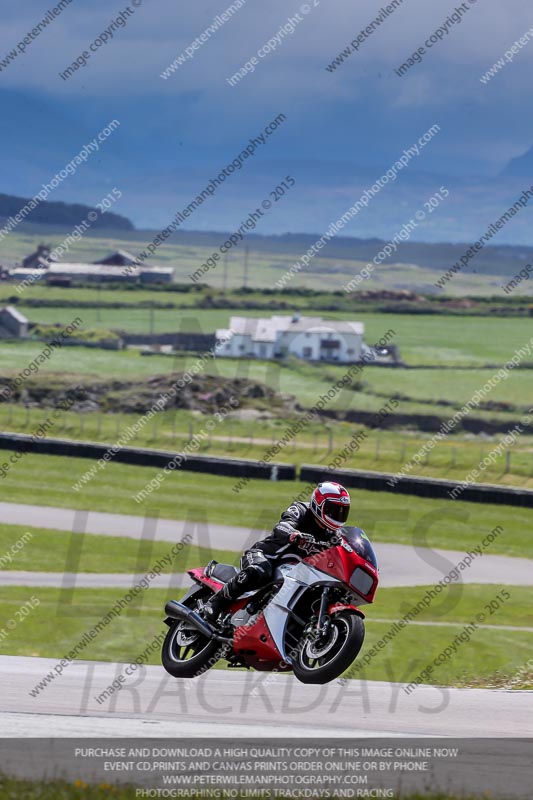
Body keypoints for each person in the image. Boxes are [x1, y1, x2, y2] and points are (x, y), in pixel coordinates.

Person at [201, 481, 350, 623]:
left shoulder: (333, 535)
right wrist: (293, 534)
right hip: (265, 556)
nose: (337, 515)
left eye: (342, 511)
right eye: (334, 510)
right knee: (260, 570)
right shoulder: (301, 510)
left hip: (292, 573)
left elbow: (344, 552)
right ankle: (216, 602)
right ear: (318, 504)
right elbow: (282, 526)